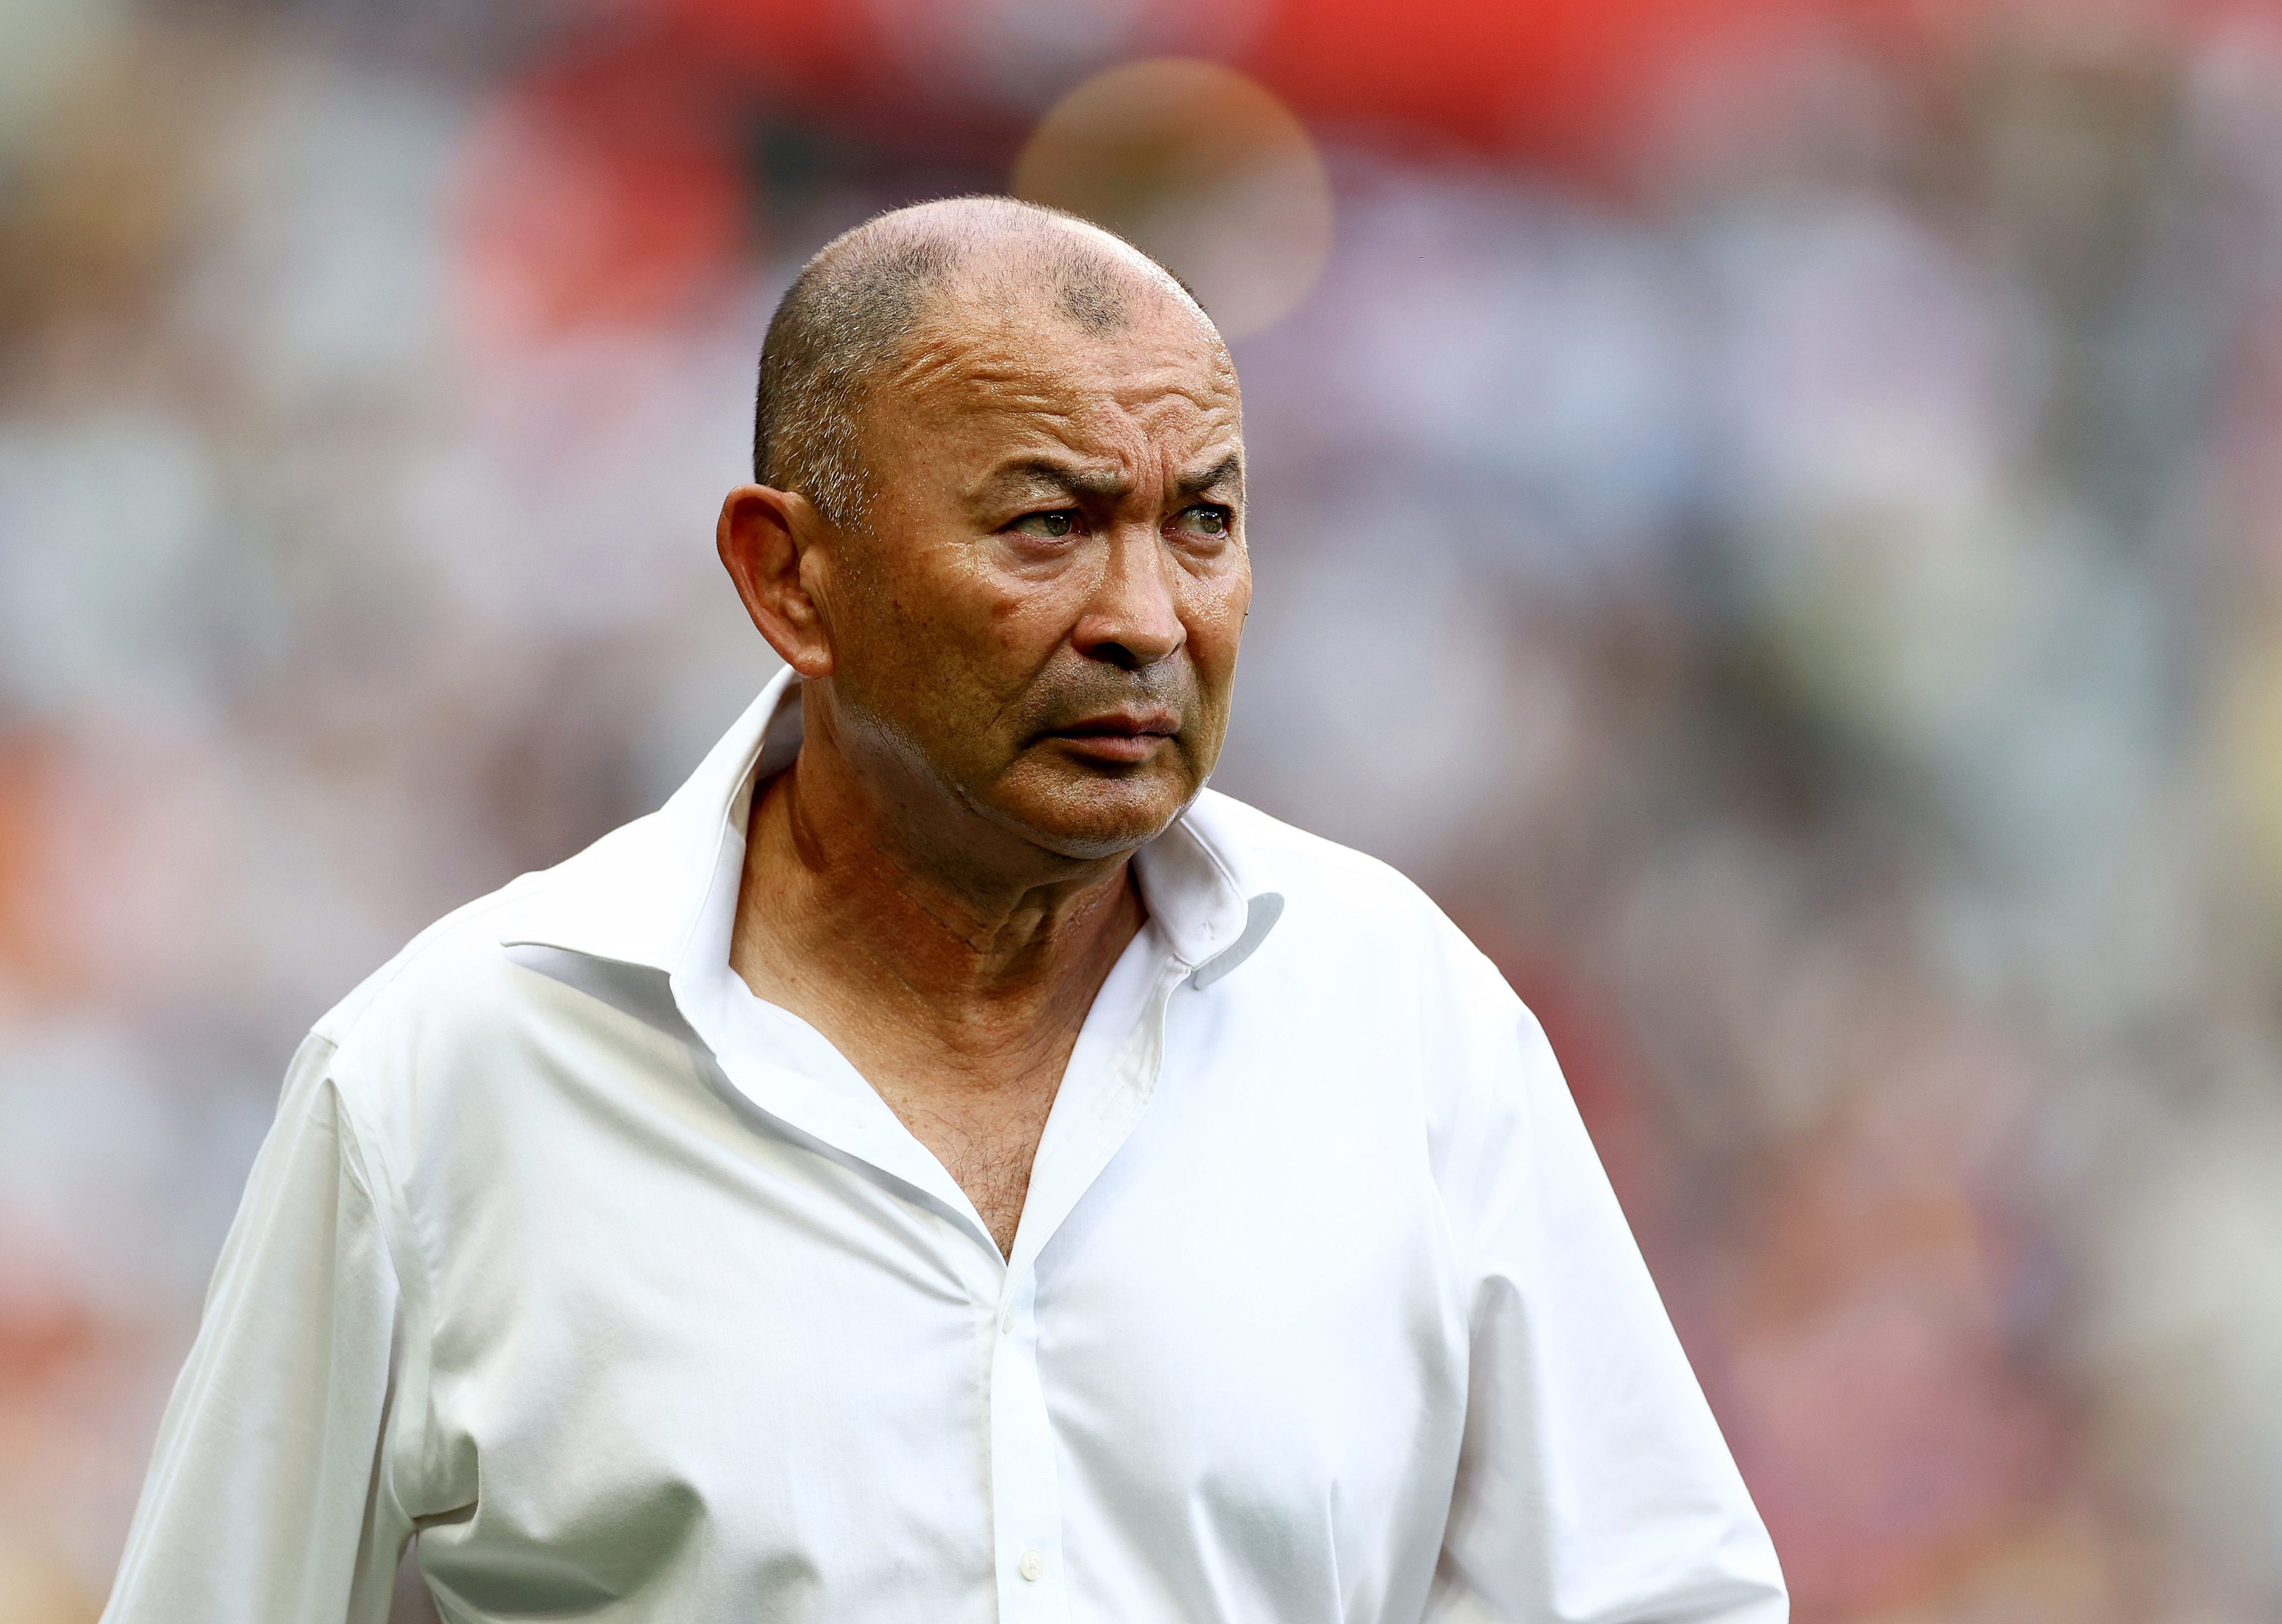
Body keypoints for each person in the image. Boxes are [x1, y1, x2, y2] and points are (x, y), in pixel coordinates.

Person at [101, 197, 1787, 1624]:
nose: (1147, 617)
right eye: (1049, 524)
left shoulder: (1404, 1024)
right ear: (789, 577)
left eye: (1199, 520)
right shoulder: (450, 1072)